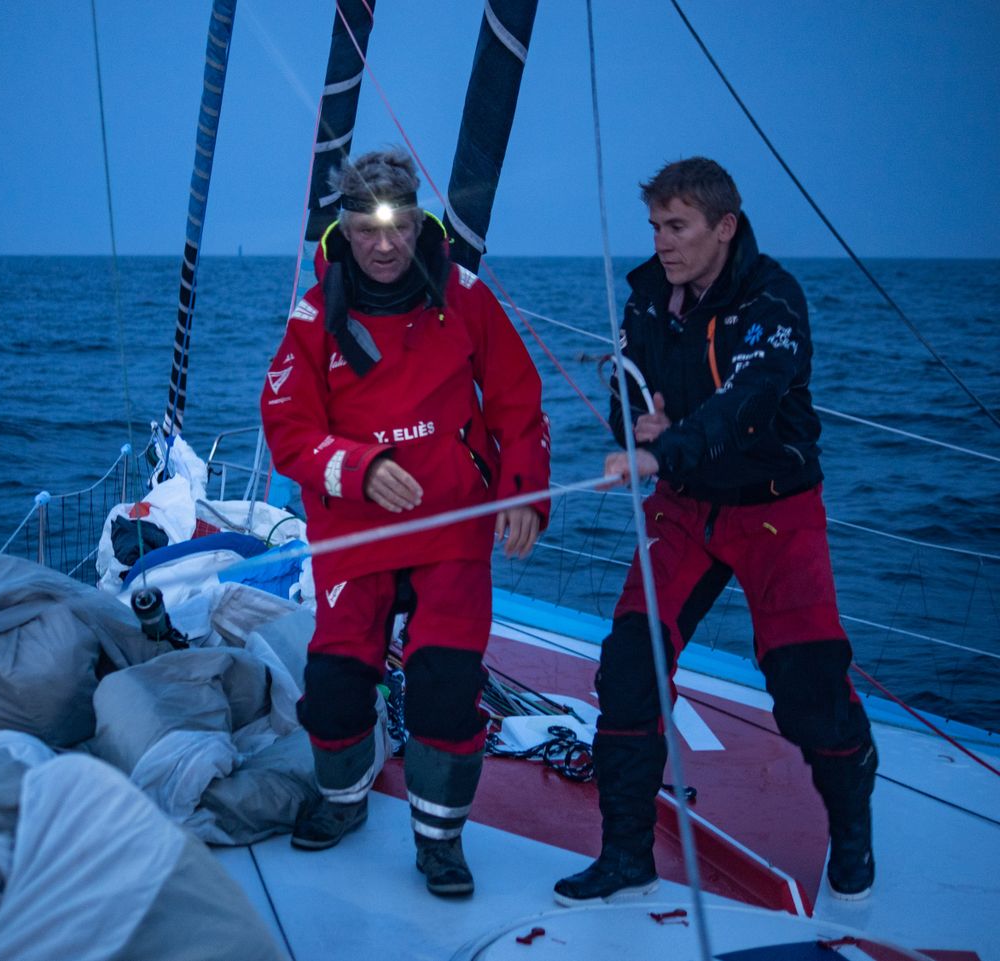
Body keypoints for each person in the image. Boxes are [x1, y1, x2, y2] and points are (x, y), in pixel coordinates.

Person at [553, 157, 877, 905]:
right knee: (629, 671)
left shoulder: (773, 301)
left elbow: (749, 403)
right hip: (684, 509)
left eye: (678, 227)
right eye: (656, 227)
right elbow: (626, 391)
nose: (663, 243)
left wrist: (663, 443)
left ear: (723, 227)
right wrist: (636, 430)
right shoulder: (645, 302)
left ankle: (853, 805)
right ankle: (627, 854)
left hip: (774, 510)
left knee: (806, 692)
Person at [260, 148, 551, 897]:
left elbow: (519, 403)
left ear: (419, 221)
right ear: (343, 229)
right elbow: (288, 429)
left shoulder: (466, 297)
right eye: (365, 230)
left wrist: (522, 491)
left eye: (396, 227)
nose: (384, 247)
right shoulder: (311, 317)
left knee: (446, 684)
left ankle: (440, 838)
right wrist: (358, 467)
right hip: (357, 533)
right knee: (332, 680)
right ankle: (343, 800)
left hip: (452, 526)